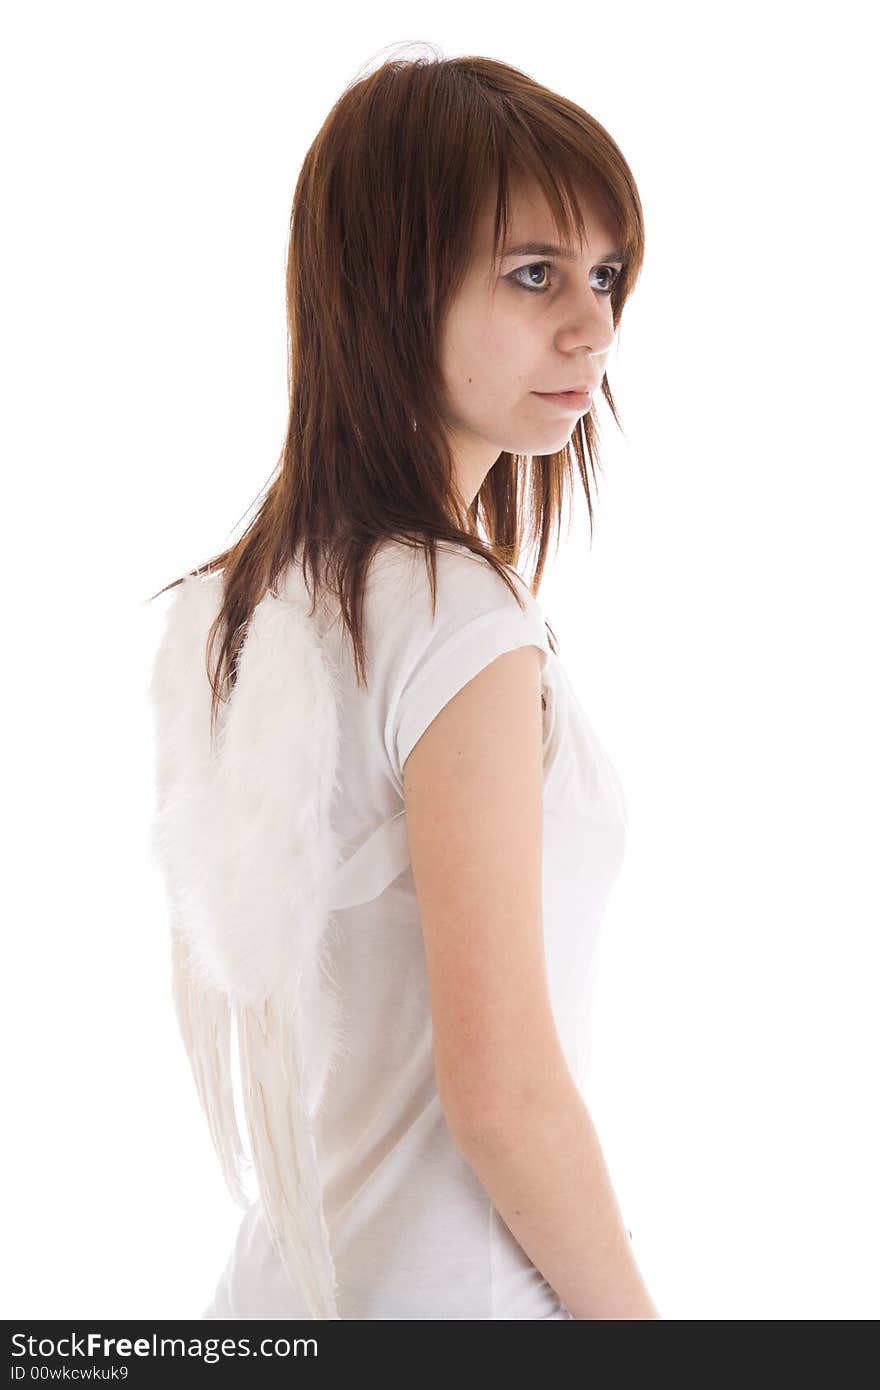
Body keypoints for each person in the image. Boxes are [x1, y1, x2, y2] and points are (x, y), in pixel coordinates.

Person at [150, 46, 659, 1320]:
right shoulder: (457, 619)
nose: (592, 322)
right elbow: (503, 1096)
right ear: (390, 287)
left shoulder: (250, 601)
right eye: (534, 274)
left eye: (605, 275)